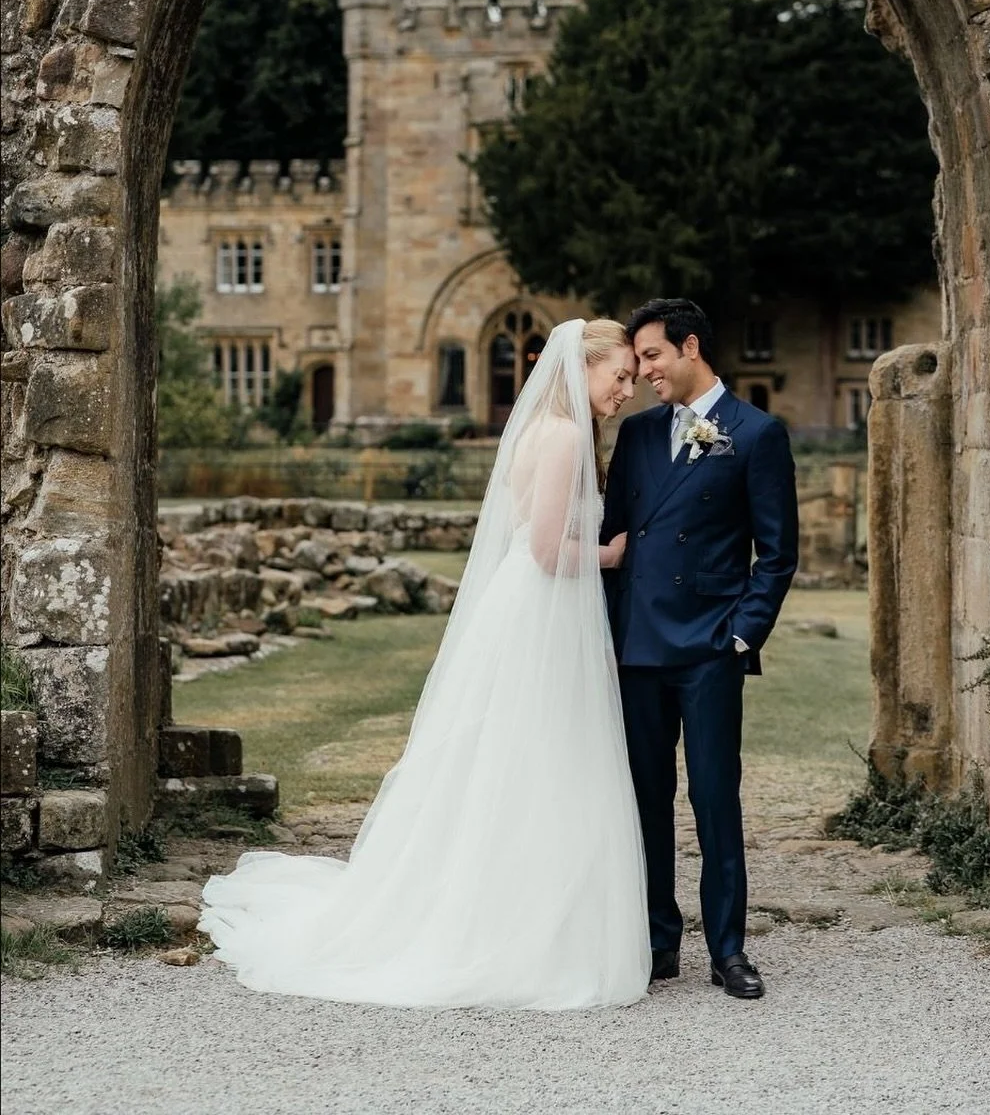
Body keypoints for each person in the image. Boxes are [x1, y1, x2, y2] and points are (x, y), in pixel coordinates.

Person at [199, 318, 651, 1010]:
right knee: (541, 756)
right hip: (542, 608)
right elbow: (546, 551)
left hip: (532, 608)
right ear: (580, 367)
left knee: (520, 757)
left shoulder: (548, 430)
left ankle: (521, 909)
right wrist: (612, 556)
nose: (626, 389)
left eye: (628, 377)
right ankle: (518, 928)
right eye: (618, 375)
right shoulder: (562, 435)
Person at [600, 298, 798, 999]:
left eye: (652, 356)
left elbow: (776, 555)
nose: (643, 372)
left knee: (716, 799)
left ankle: (728, 950)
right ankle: (658, 942)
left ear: (689, 348)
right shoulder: (639, 435)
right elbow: (618, 538)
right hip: (639, 649)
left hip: (711, 647)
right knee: (646, 800)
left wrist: (742, 633)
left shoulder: (757, 433)